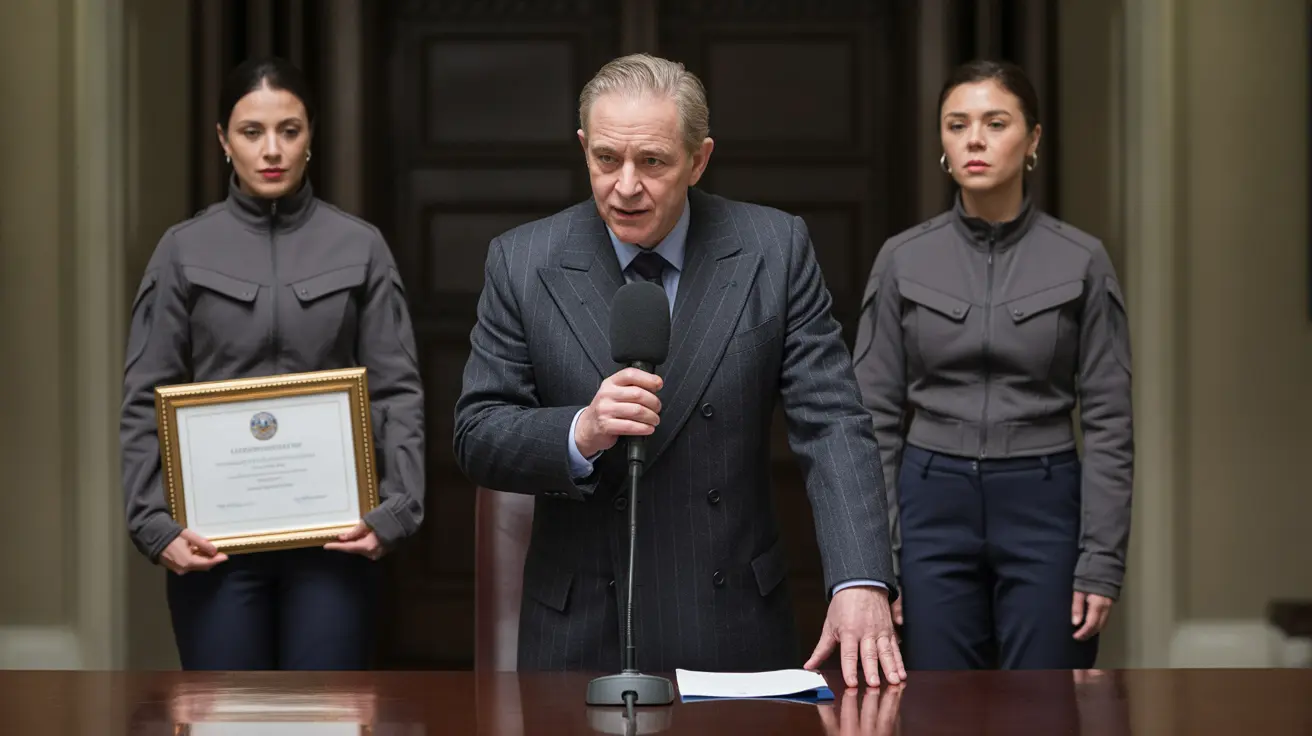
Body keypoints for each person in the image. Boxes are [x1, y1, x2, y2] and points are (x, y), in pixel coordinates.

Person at [454, 53, 905, 687]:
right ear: (583, 148)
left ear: (699, 159)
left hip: (730, 620)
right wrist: (579, 431)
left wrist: (860, 578)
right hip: (580, 628)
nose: (626, 185)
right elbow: (477, 434)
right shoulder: (523, 260)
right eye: (606, 159)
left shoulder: (774, 249)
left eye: (654, 162)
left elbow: (832, 422)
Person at [119, 56, 425, 670]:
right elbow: (145, 397)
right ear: (223, 141)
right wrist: (154, 526)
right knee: (225, 716)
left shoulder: (359, 245)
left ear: (311, 135)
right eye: (251, 132)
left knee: (330, 716)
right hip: (216, 548)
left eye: (289, 130)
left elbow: (397, 391)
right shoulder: (182, 250)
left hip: (334, 546)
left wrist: (397, 509)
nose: (272, 150)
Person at [853, 59, 1133, 670]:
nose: (974, 139)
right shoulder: (903, 259)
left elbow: (1111, 424)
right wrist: (879, 557)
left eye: (995, 122)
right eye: (957, 125)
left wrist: (1102, 560)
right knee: (936, 704)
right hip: (931, 504)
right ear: (943, 144)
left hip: (1044, 499)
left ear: (1032, 140)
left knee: (1047, 704)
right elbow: (870, 419)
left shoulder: (1081, 259)